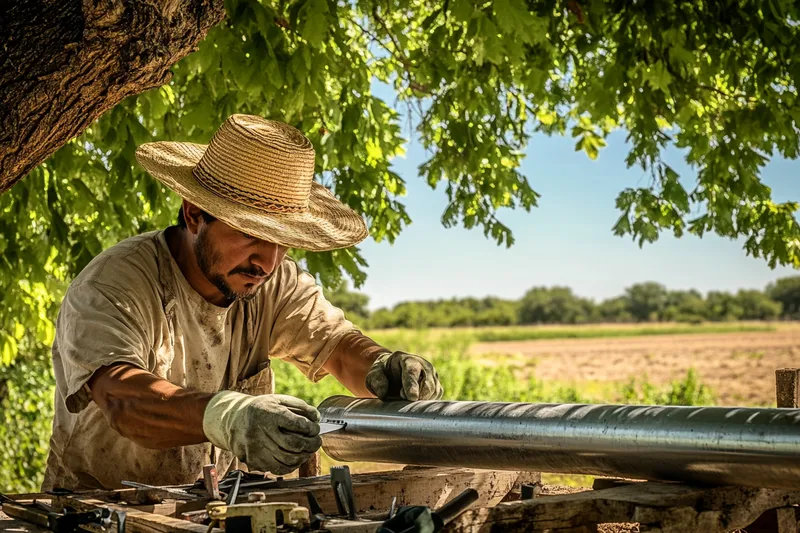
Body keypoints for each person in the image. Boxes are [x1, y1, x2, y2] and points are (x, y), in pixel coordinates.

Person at [42, 114, 443, 491]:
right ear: (195, 214)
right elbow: (124, 400)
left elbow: (338, 348)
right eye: (251, 233)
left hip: (218, 510)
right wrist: (227, 417)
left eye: (282, 241)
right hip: (97, 510)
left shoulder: (273, 282)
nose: (267, 262)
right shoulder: (115, 284)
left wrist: (383, 366)